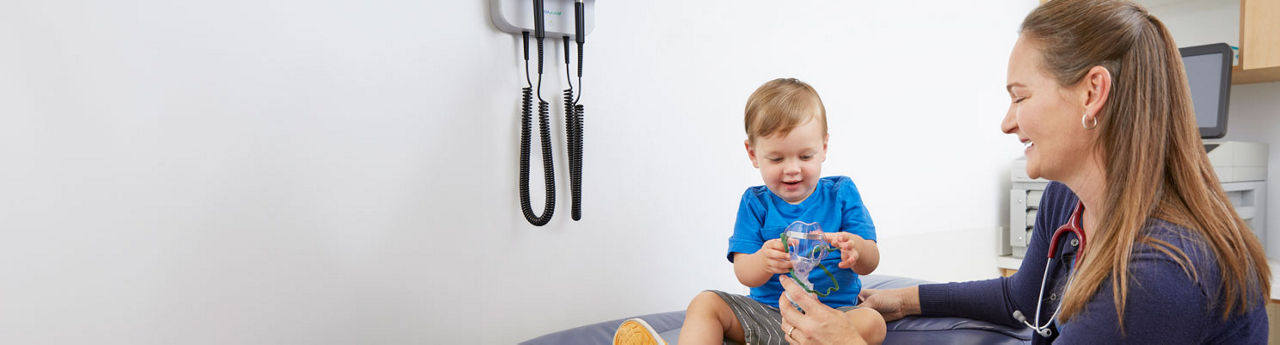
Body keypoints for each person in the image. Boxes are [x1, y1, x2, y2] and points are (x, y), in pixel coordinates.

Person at [779, 0, 1271, 344]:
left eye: (1020, 96)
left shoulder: (1156, 276)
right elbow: (1023, 296)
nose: (1007, 121)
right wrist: (901, 300)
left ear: (1092, 93)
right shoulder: (1066, 198)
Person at [614, 78, 887, 345]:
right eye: (777, 158)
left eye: (805, 156)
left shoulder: (841, 193)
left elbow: (871, 259)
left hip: (833, 321)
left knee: (873, 322)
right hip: (769, 316)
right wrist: (763, 261)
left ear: (824, 148)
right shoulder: (755, 203)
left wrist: (857, 249)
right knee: (705, 303)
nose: (792, 168)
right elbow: (744, 271)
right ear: (753, 153)